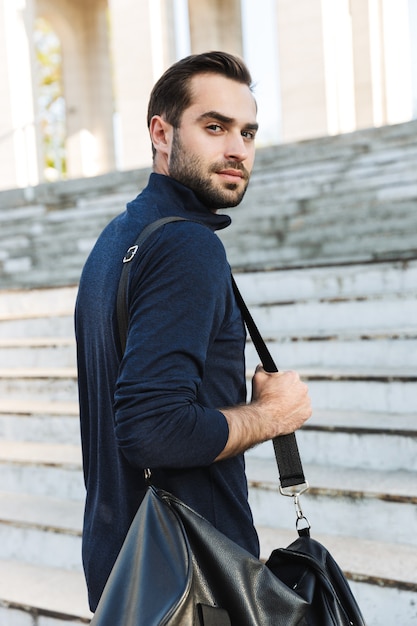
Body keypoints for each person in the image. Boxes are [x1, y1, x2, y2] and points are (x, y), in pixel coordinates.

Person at [75, 51, 312, 613]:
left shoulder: (116, 241)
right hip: (194, 584)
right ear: (161, 133)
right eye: (214, 127)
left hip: (128, 574)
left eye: (248, 132)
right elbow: (152, 429)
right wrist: (275, 415)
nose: (237, 149)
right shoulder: (186, 245)